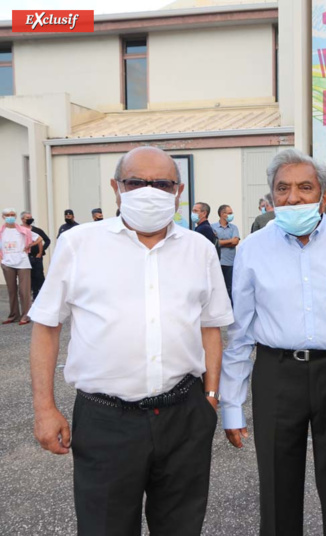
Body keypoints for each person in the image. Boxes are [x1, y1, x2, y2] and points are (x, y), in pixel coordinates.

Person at [28, 146, 233, 535]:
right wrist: (44, 408)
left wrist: (209, 397)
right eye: (136, 182)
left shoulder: (199, 250)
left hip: (183, 414)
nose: (149, 191)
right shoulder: (78, 245)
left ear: (178, 190)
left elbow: (211, 326)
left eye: (162, 183)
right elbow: (46, 326)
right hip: (105, 420)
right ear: (116, 187)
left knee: (181, 527)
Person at [220, 148, 326, 536]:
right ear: (271, 196)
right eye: (283, 189)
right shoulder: (251, 249)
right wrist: (232, 404)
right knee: (277, 488)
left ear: (323, 196)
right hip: (276, 374)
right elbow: (240, 333)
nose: (293, 198)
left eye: (305, 188)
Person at [2, 208, 41, 325]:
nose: (10, 216)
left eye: (12, 215)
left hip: (22, 262)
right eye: (7, 215)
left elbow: (39, 239)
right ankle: (14, 315)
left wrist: (28, 245)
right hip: (7, 262)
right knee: (11, 290)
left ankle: (26, 315)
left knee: (24, 291)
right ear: (3, 217)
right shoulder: (1, 231)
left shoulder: (23, 230)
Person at [212, 204, 239, 303]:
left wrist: (221, 242)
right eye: (230, 213)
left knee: (230, 288)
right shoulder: (212, 227)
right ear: (223, 214)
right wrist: (229, 241)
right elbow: (214, 243)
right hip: (217, 262)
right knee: (217, 289)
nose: (232, 215)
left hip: (230, 263)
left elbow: (235, 242)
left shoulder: (234, 228)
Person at [20, 211, 50, 301]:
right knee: (28, 276)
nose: (30, 219)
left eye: (31, 217)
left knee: (39, 275)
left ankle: (41, 295)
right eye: (27, 218)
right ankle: (29, 295)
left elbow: (47, 240)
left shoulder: (37, 230)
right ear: (22, 219)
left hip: (37, 257)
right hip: (25, 257)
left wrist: (41, 252)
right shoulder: (19, 230)